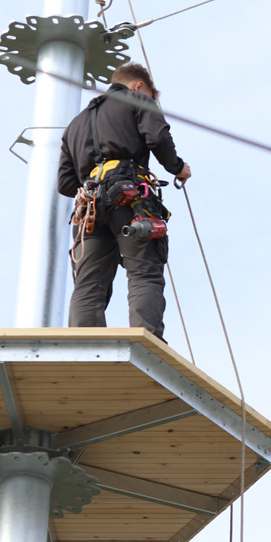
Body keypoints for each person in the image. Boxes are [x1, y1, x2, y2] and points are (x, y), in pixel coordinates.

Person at [58, 62, 191, 339]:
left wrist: (94, 186)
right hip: (131, 198)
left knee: (88, 283)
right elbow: (157, 137)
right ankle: (149, 345)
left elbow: (65, 183)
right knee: (144, 272)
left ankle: (84, 348)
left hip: (89, 207)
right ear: (140, 86)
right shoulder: (136, 99)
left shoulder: (75, 125)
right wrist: (178, 167)